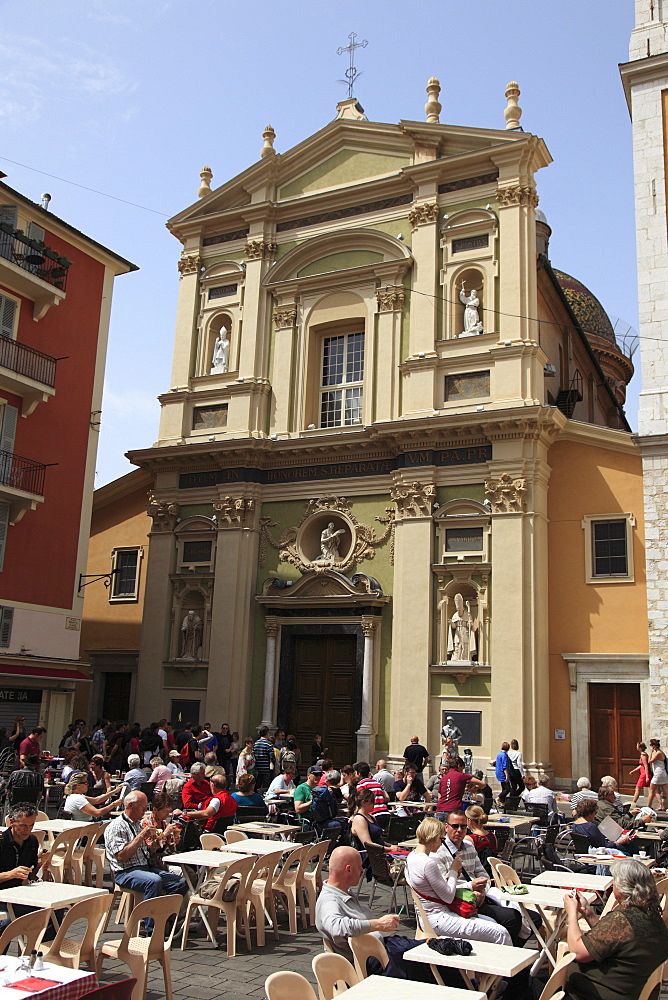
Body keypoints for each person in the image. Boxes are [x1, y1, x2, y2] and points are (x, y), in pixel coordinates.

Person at [563, 857, 668, 1000]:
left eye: (615, 881)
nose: (613, 884)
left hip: (596, 994)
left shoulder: (622, 920)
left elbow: (577, 952)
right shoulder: (651, 916)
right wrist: (587, 912)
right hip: (631, 991)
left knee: (530, 984)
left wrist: (571, 914)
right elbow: (611, 938)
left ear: (624, 888)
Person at [406, 816, 511, 945]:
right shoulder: (428, 863)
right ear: (433, 838)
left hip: (429, 916)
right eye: (441, 839)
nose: (441, 843)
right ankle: (504, 963)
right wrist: (454, 871)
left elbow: (430, 885)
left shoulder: (411, 856)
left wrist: (450, 875)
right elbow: (448, 897)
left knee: (493, 924)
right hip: (439, 917)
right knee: (500, 933)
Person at [434, 811, 523, 944]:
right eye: (455, 826)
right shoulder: (438, 852)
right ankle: (506, 956)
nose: (459, 830)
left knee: (534, 918)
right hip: (459, 902)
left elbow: (483, 874)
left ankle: (513, 954)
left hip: (479, 897)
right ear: (446, 827)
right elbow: (442, 887)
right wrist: (471, 887)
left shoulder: (469, 846)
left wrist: (481, 890)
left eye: (463, 827)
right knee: (512, 918)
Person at [104, 791, 187, 929]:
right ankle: (151, 929)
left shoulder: (137, 824)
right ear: (130, 805)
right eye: (143, 807)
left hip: (144, 866)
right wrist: (141, 836)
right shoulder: (117, 826)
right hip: (125, 871)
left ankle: (163, 917)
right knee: (154, 881)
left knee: (180, 882)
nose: (145, 810)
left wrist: (155, 845)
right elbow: (122, 857)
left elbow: (147, 852)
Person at [571, 798, 636, 851]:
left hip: (588, 852)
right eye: (595, 812)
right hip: (599, 853)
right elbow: (604, 846)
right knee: (631, 848)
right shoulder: (590, 827)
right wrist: (620, 842)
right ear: (590, 813)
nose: (595, 815)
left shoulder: (575, 825)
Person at [140, 791, 182, 864]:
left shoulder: (164, 823)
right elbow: (151, 849)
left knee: (189, 871)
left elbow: (169, 847)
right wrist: (164, 834)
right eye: (164, 812)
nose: (167, 814)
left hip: (165, 858)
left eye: (168, 812)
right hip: (152, 861)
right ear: (155, 810)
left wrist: (175, 841)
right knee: (180, 871)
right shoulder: (147, 824)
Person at [447, 593, 476, 661]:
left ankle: (465, 658)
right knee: (457, 645)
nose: (458, 611)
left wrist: (470, 623)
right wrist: (451, 623)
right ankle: (457, 658)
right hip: (458, 632)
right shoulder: (455, 615)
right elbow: (454, 627)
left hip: (464, 631)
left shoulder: (467, 614)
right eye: (457, 609)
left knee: (465, 645)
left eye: (459, 609)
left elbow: (470, 626)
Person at [647, 738, 668, 811]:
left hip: (658, 774)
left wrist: (650, 752)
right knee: (661, 791)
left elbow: (650, 761)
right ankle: (661, 806)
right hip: (662, 773)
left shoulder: (658, 753)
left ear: (654, 746)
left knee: (651, 790)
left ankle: (648, 807)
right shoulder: (660, 752)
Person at [253, 727, 275, 791]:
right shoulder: (268, 744)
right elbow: (272, 757)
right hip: (266, 769)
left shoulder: (255, 743)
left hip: (257, 768)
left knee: (257, 786)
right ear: (267, 733)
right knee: (265, 787)